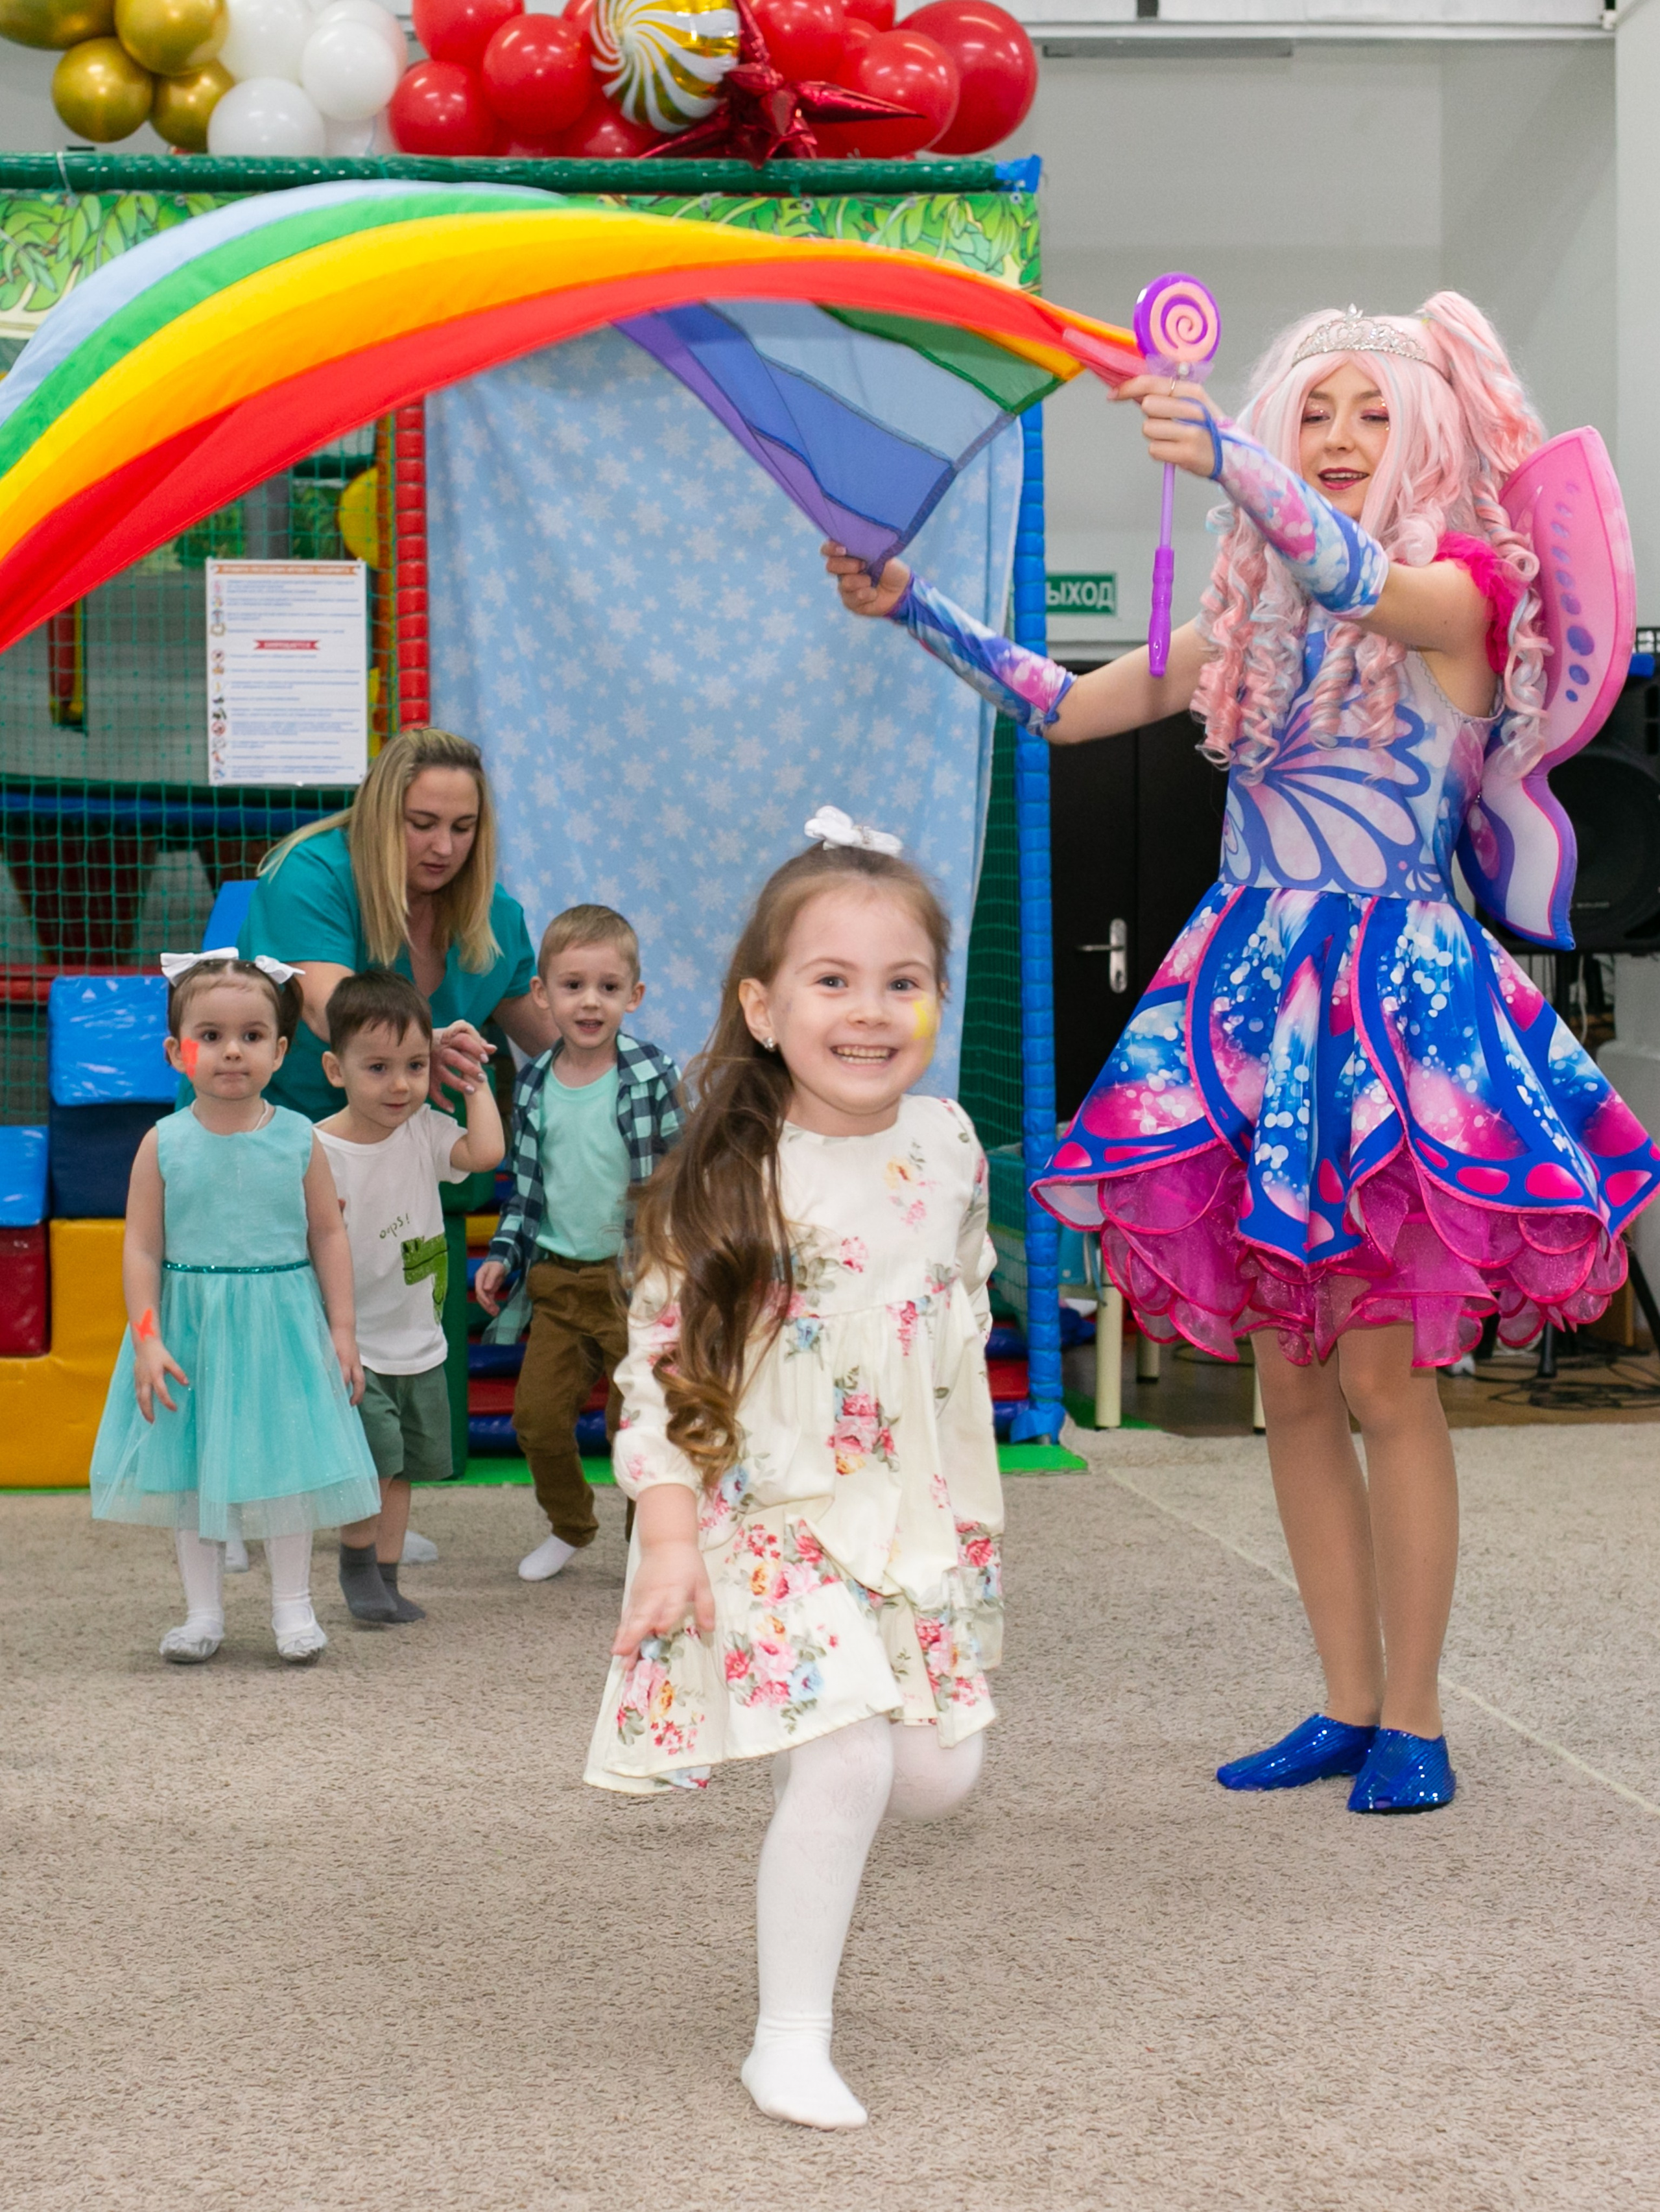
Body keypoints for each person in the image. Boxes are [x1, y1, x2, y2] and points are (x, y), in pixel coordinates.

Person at [825, 293, 1660, 1816]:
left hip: (1397, 1008)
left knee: (1385, 1379)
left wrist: (1222, 456)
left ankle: (1415, 1714)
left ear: (1422, 436)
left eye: (1367, 415)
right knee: (1288, 1377)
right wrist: (913, 607)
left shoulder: (1466, 590)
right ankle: (1342, 1700)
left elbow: (1353, 570)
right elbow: (1069, 707)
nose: (1339, 442)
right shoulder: (1257, 625)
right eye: (1312, 414)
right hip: (1249, 1000)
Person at [583, 826, 1001, 2132]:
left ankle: (836, 1729)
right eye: (831, 980)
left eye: (902, 979)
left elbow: (959, 1291)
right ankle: (787, 2038)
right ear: (761, 1007)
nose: (869, 1010)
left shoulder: (946, 1139)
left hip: (907, 1506)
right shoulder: (728, 1183)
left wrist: (958, 1481)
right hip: (764, 1510)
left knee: (939, 1775)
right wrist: (662, 1538)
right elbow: (658, 1374)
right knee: (849, 1765)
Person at [246, 723, 554, 1543]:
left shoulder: (495, 915)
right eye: (423, 823)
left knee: (387, 1326)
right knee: (273, 1317)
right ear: (382, 812)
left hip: (402, 1163)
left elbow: (556, 1042)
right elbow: (328, 1004)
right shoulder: (310, 871)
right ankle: (244, 1501)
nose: (443, 846)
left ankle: (371, 1504)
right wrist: (419, 1042)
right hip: (284, 1138)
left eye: (463, 828)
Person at [89, 954, 382, 1665]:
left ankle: (293, 1609)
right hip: (188, 1333)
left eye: (252, 1036)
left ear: (281, 1051)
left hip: (280, 1327)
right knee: (193, 1475)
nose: (230, 1051)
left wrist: (342, 1330)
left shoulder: (297, 1137)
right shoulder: (163, 1143)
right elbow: (141, 1249)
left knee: (286, 1469)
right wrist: (149, 1338)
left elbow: (327, 1234)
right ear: (175, 1051)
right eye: (210, 1035)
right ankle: (202, 1614)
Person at [474, 906, 681, 1582]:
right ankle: (570, 1524)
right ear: (541, 993)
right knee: (535, 1420)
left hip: (636, 1286)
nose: (590, 1002)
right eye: (572, 986)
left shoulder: (651, 1073)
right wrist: (503, 1255)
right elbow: (526, 1191)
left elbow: (680, 1177)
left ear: (634, 996)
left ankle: (646, 1545)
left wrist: (682, 1266)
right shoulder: (532, 1085)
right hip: (558, 1282)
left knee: (640, 1427)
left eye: (608, 987)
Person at [317, 970, 506, 1625]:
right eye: (377, 1067)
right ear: (336, 1070)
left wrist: (473, 1080)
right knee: (371, 1470)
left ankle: (387, 1574)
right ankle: (356, 1566)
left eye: (415, 1066)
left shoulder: (424, 1129)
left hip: (419, 1342)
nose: (399, 1084)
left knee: (403, 1473)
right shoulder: (317, 1149)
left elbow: (485, 1152)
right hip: (357, 1347)